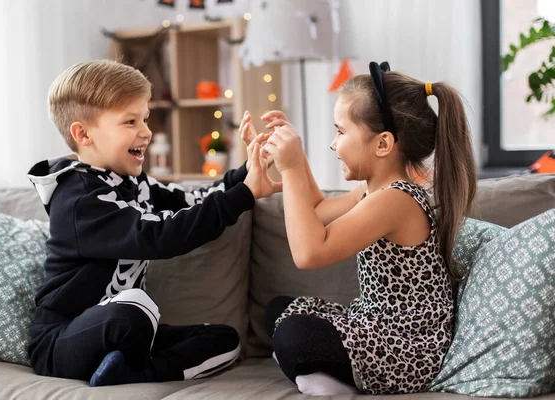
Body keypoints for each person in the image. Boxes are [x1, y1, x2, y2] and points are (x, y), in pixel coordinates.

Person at [27, 60, 279, 386]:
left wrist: (247, 172)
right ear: (83, 133)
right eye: (130, 121)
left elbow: (191, 200)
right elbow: (159, 234)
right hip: (62, 341)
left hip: (131, 330)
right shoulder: (78, 201)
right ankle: (123, 363)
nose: (146, 132)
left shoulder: (132, 182)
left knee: (225, 339)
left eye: (144, 118)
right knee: (135, 306)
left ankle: (136, 372)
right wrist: (243, 195)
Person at [255, 61, 477, 395]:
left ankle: (335, 381)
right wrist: (297, 160)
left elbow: (309, 253)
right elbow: (318, 210)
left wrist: (287, 168)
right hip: (373, 324)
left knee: (293, 335)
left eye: (341, 132)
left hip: (406, 350)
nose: (333, 144)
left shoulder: (395, 200)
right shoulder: (373, 190)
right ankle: (330, 373)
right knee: (277, 310)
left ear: (383, 144)